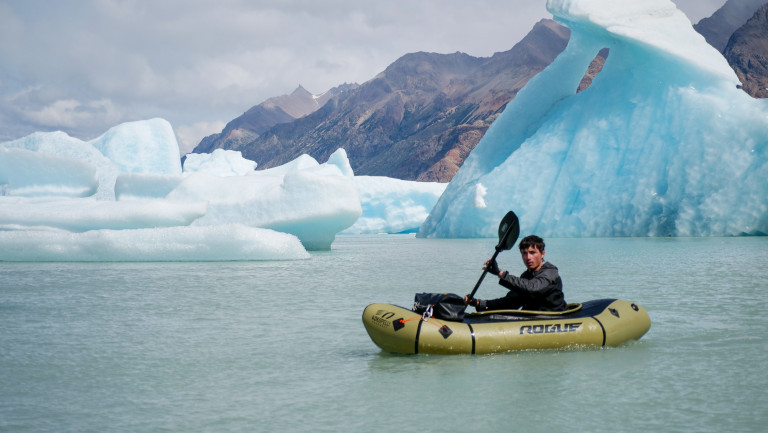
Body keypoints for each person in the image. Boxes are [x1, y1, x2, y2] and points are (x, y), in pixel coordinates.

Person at [465, 235, 567, 312]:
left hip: (554, 319)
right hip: (533, 319)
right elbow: (510, 302)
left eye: (532, 252)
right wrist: (479, 303)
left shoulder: (550, 272)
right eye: (524, 253)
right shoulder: (526, 276)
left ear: (542, 254)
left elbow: (533, 288)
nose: (528, 257)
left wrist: (500, 273)